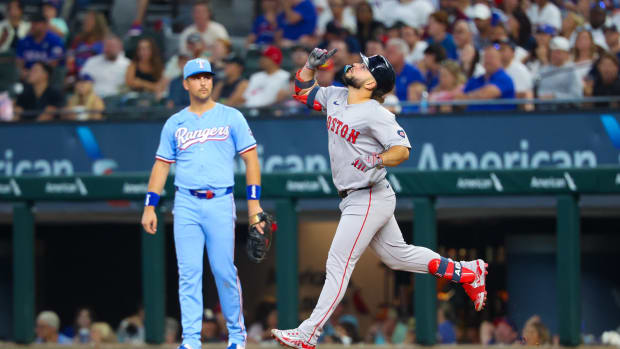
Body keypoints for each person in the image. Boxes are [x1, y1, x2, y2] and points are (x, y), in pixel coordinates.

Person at [272, 47, 488, 349]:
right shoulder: (335, 95)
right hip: (357, 196)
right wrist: (309, 67)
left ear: (372, 83)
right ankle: (467, 272)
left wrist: (376, 159)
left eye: (363, 67)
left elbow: (402, 149)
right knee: (397, 256)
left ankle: (309, 333)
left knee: (338, 263)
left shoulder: (375, 113)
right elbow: (302, 93)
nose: (355, 65)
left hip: (368, 195)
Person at [141, 57, 265, 349]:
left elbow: (251, 160)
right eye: (197, 77)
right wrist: (150, 205)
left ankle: (236, 335)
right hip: (185, 202)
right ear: (186, 83)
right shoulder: (175, 122)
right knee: (189, 273)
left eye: (207, 76)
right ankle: (191, 339)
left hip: (220, 201)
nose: (203, 82)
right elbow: (161, 166)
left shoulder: (231, 116)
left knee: (224, 270)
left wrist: (254, 205)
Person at [455, 44, 516, 111]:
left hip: (498, 119)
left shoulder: (504, 79)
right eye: (486, 57)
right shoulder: (475, 80)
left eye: (491, 57)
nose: (488, 61)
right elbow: (458, 100)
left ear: (500, 60)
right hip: (471, 119)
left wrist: (467, 98)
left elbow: (485, 95)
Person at [536, 36, 583, 102]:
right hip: (541, 109)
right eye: (552, 52)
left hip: (564, 110)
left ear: (566, 54)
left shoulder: (573, 71)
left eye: (558, 52)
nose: (554, 55)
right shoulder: (543, 70)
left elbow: (577, 97)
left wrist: (555, 96)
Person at [384, 38, 425, 107]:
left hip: (409, 114)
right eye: (386, 52)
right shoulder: (384, 73)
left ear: (401, 55)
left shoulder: (413, 73)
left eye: (391, 52)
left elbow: (416, 101)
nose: (386, 55)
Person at [67, 11, 108, 78]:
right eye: (86, 20)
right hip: (75, 75)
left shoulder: (104, 43)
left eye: (90, 20)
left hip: (95, 76)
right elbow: (70, 56)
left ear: (98, 24)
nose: (86, 22)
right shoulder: (78, 39)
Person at [497, 39, 533, 109]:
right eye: (499, 49)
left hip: (516, 110)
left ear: (512, 53)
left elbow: (522, 95)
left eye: (503, 49)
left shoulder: (519, 70)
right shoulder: (495, 69)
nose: (500, 52)